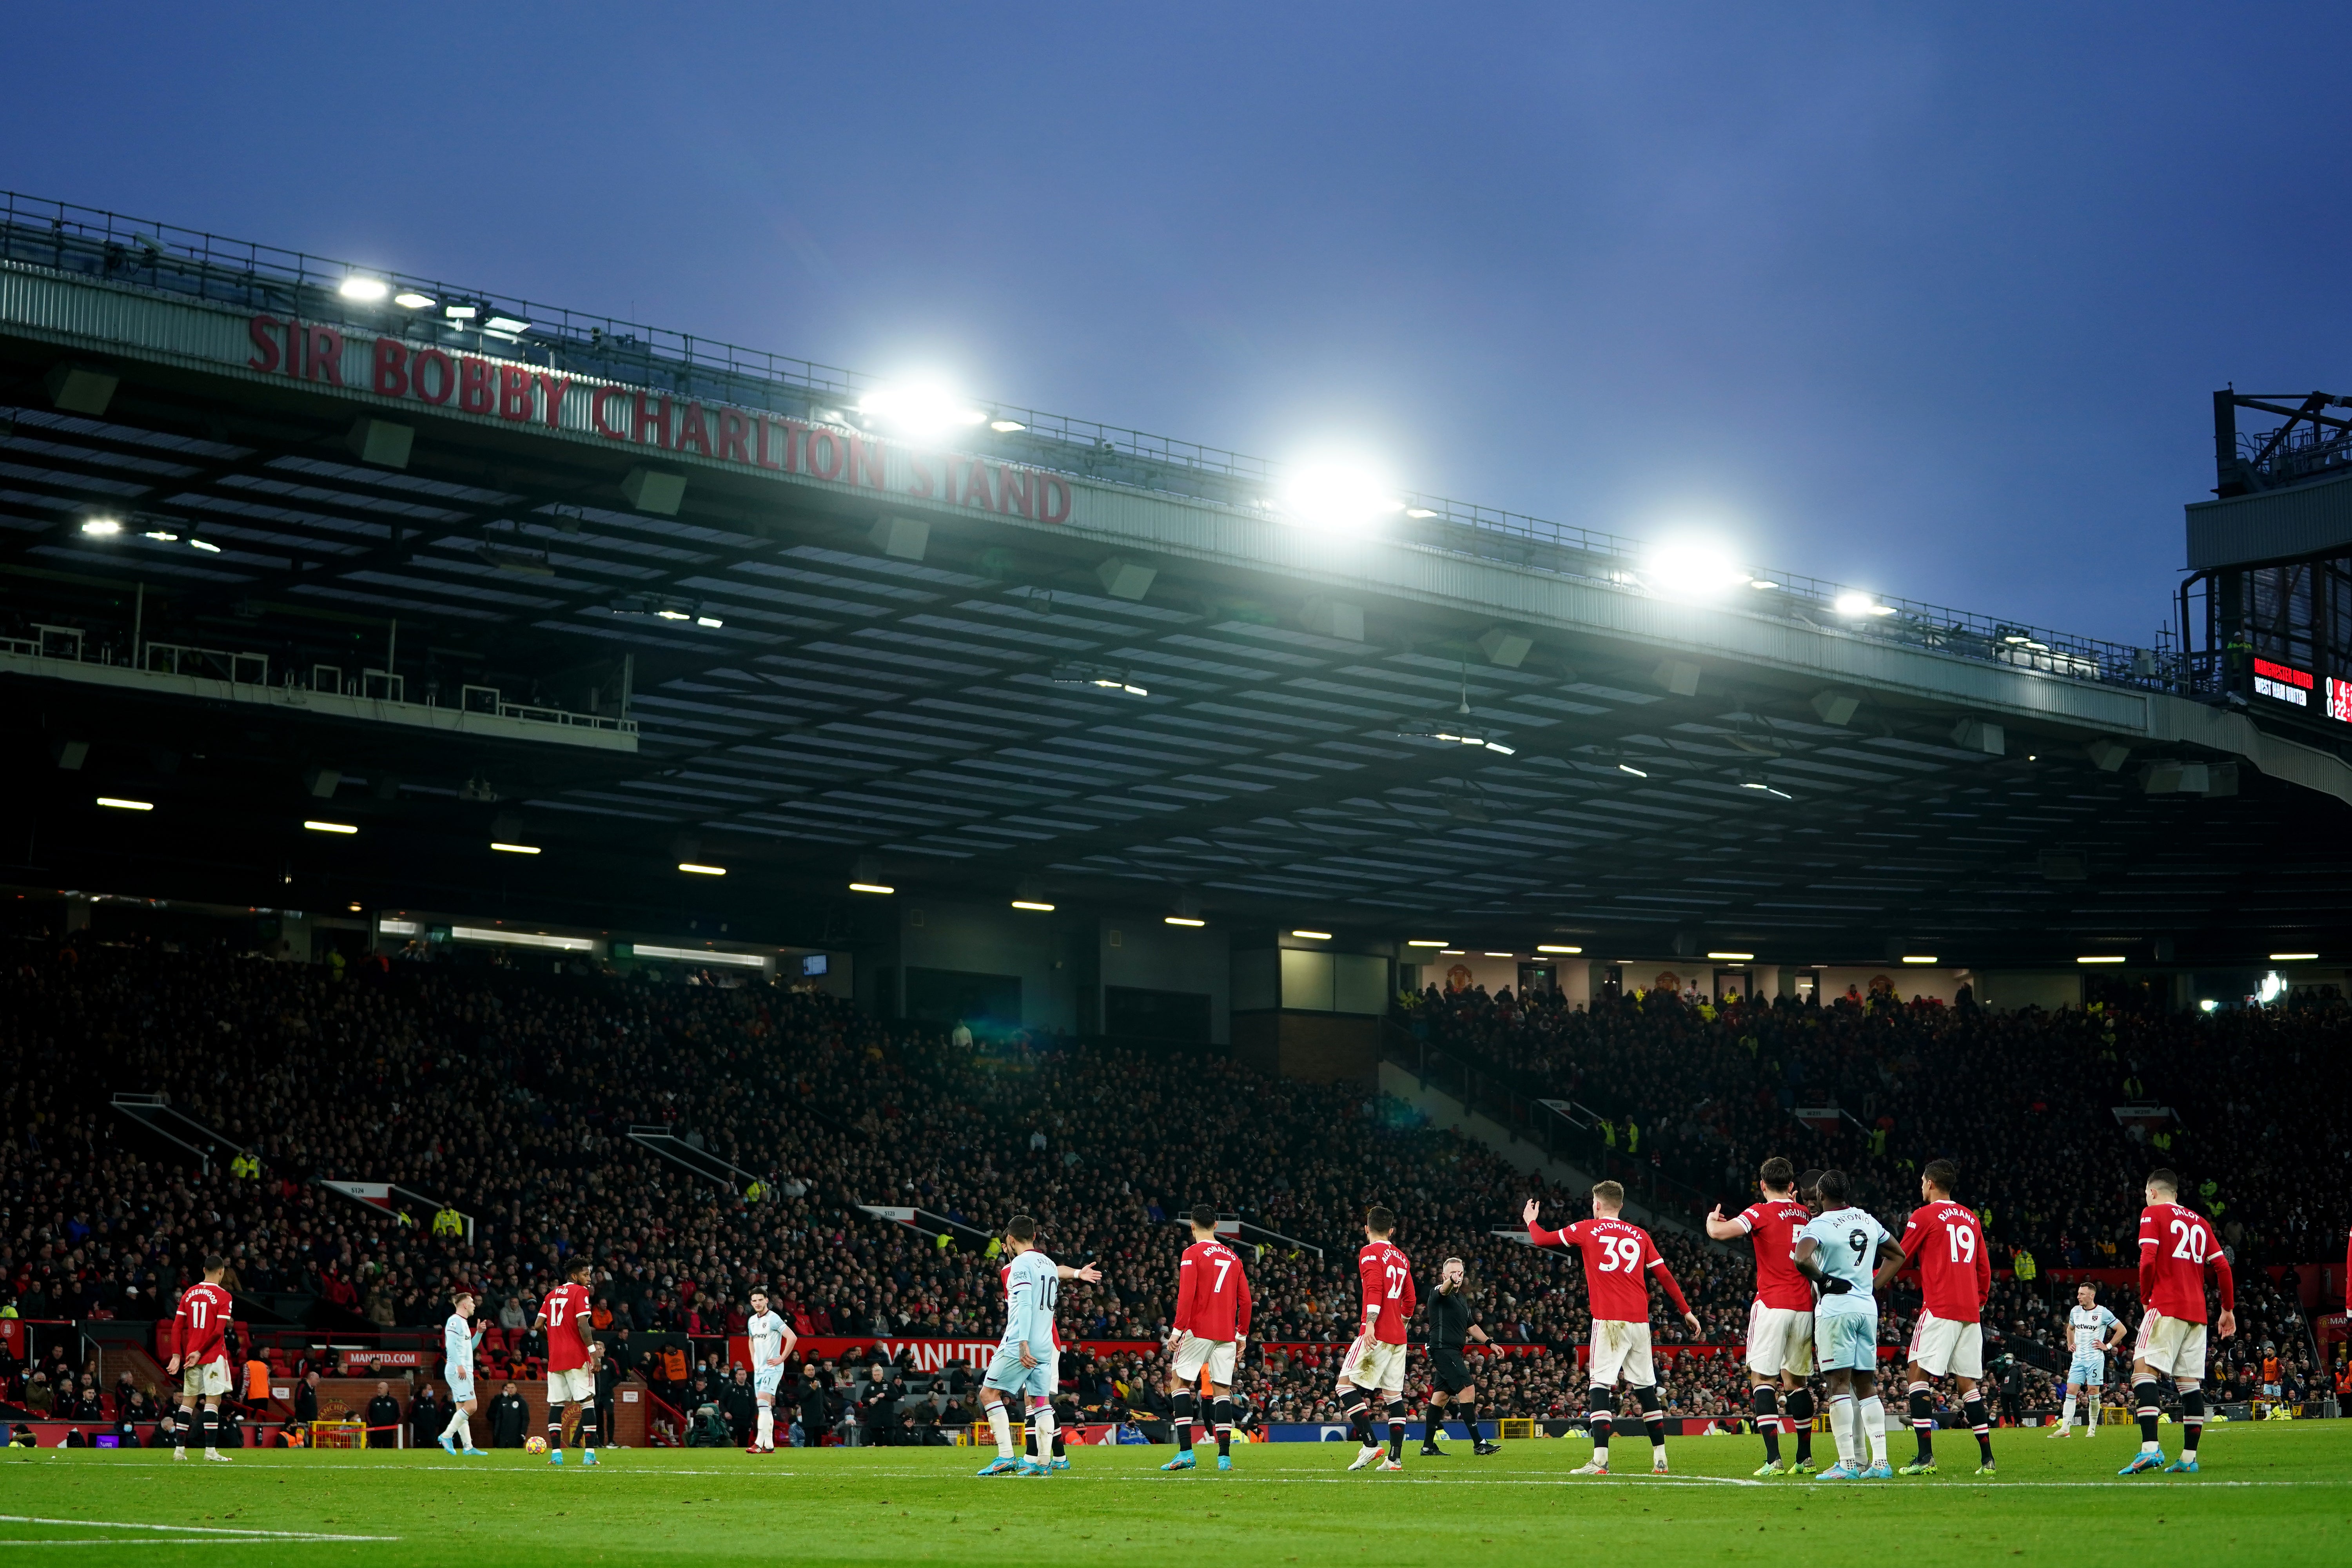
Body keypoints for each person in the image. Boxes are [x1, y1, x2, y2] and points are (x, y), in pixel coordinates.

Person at [1526, 1183, 1699, 1477]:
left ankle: (1600, 1461)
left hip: (1608, 1320)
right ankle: (1661, 1459)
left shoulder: (1587, 1229)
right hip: (1640, 1322)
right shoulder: (1640, 1235)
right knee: (1645, 1387)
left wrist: (1530, 1220)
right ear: (1620, 1206)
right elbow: (1665, 1275)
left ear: (1597, 1204)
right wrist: (1687, 1311)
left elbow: (1541, 1239)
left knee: (1600, 1385)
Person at [1875, 1158, 1995, 1475]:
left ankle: (1925, 1456)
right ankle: (1988, 1459)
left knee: (1917, 1375)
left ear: (1929, 1183)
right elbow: (1984, 1266)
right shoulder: (1971, 1218)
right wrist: (1979, 1300)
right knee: (1968, 1382)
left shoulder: (1924, 1215)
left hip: (1940, 1307)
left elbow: (1900, 1254)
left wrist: (1871, 1281)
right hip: (1970, 1311)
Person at [1705, 1155, 1818, 1476]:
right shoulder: (1807, 1214)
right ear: (1793, 1186)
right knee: (1796, 1382)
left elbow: (1721, 1233)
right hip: (1803, 1307)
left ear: (1763, 1185)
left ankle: (1774, 1460)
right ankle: (1805, 1458)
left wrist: (1712, 1220)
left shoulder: (1759, 1211)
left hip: (1772, 1303)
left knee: (1763, 1380)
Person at [2119, 1169, 2235, 1475]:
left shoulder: (2153, 1213)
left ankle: (2150, 1449)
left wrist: (2146, 1297)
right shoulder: (2200, 1222)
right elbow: (2223, 1267)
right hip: (2197, 1314)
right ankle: (2188, 1459)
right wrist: (2228, 1310)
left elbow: (2148, 1259)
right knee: (2189, 1384)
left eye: (2146, 1194)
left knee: (2142, 1370)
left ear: (2153, 1192)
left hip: (2166, 1305)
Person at [1792, 1168, 1895, 1480]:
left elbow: (1801, 1258)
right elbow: (1898, 1254)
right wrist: (1873, 1286)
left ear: (1822, 1195)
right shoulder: (1867, 1219)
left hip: (1837, 1311)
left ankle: (1847, 1465)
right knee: (1866, 1387)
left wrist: (1825, 1280)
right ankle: (1881, 1464)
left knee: (1837, 1386)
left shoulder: (1819, 1224)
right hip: (1866, 1308)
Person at [1161, 1203, 1252, 1474]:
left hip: (1198, 1330)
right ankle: (1224, 1459)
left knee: (1179, 1382)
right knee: (1223, 1390)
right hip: (1226, 1334)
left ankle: (1186, 1453)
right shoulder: (1234, 1258)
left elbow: (1186, 1295)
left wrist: (1177, 1331)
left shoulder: (1192, 1253)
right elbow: (1246, 1301)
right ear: (1216, 1225)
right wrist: (1242, 1335)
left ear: (1192, 1226)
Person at [975, 1214, 1059, 1477]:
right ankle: (1044, 1463)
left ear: (1010, 1240)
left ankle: (1005, 1457)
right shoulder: (1050, 1264)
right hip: (1046, 1343)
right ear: (1034, 1236)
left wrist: (1023, 1343)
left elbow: (1023, 1304)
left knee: (988, 1395)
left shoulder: (1020, 1265)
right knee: (1040, 1401)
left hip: (1021, 1341)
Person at [1340, 1204, 1418, 1473]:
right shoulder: (1402, 1258)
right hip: (1399, 1336)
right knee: (1393, 1396)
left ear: (1367, 1229)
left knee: (1344, 1386)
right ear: (1392, 1231)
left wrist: (1371, 1323)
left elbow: (1374, 1288)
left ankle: (1371, 1444)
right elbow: (1411, 1300)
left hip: (1376, 1332)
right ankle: (1395, 1460)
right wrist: (1402, 1323)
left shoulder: (1369, 1252)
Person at [1419, 1255, 1500, 1457]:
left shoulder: (1461, 1299)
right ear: (1444, 1275)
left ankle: (1428, 1446)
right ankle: (1478, 1443)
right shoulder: (1438, 1293)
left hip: (1453, 1351)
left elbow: (1471, 1326)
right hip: (1442, 1350)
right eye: (1454, 1273)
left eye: (1461, 1273)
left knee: (1440, 1398)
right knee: (1468, 1390)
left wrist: (1490, 1343)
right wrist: (1450, 1282)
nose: (1458, 1276)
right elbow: (1444, 1289)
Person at [164, 1256, 235, 1464]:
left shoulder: (189, 1293)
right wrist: (201, 1352)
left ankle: (179, 1450)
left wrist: (177, 1354)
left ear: (204, 1270)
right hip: (212, 1355)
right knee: (213, 1401)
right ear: (221, 1272)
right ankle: (210, 1451)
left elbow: (176, 1326)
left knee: (188, 1402)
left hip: (191, 1355)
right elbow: (218, 1331)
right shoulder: (224, 1296)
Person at [534, 1257, 603, 1466]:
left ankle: (556, 1456)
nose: (589, 1279)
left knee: (557, 1405)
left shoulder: (551, 1294)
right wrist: (593, 1352)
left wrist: (553, 1341)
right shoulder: (580, 1292)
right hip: (576, 1357)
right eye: (585, 1274)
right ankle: (590, 1455)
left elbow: (538, 1326)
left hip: (556, 1360)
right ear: (574, 1276)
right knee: (587, 1402)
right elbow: (583, 1324)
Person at [2052, 1282, 2125, 1437]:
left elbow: (2122, 1330)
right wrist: (2071, 1344)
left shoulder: (2103, 1313)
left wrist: (2108, 1345)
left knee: (2093, 1393)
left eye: (2082, 1294)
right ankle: (2065, 1429)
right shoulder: (2075, 1311)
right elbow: (2070, 1328)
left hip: (2094, 1359)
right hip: (2078, 1359)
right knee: (2071, 1391)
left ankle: (2092, 1428)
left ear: (2092, 1296)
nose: (2079, 1297)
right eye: (2078, 1294)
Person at [744, 1288, 799, 1453]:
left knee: (762, 1402)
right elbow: (751, 1340)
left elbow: (792, 1337)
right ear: (751, 1303)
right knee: (765, 1406)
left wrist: (781, 1358)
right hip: (760, 1369)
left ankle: (759, 1443)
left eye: (761, 1300)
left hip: (772, 1368)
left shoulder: (774, 1318)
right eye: (754, 1301)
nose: (758, 1303)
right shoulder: (752, 1321)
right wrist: (754, 1358)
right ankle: (769, 1444)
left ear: (767, 1300)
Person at [437, 1288, 487, 1456]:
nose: (474, 1305)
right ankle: (446, 1436)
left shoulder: (464, 1323)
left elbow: (470, 1347)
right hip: (458, 1370)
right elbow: (450, 1345)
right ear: (465, 1305)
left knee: (461, 1409)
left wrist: (479, 1334)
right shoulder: (454, 1321)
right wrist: (459, 1365)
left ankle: (468, 1447)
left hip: (463, 1370)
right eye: (472, 1302)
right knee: (472, 1406)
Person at [488, 1380, 530, 1448]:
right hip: (503, 1433)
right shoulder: (503, 1401)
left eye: (512, 1388)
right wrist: (497, 1432)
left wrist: (523, 1433)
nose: (510, 1390)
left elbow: (526, 1418)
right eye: (509, 1388)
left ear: (516, 1389)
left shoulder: (521, 1401)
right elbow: (499, 1417)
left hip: (516, 1433)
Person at [363, 1381, 401, 1448]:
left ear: (386, 1390)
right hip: (376, 1431)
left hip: (388, 1432)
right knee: (375, 1449)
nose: (378, 1390)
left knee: (388, 1450)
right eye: (378, 1388)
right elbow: (367, 1414)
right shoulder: (374, 1401)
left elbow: (400, 1415)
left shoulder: (393, 1401)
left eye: (381, 1388)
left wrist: (394, 1425)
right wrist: (372, 1425)